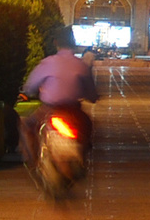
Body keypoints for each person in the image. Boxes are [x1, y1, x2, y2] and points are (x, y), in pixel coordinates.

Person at [20, 27, 100, 169]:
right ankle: (83, 159)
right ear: (74, 44)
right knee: (87, 129)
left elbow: (30, 86)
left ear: (56, 43)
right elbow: (92, 93)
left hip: (49, 110)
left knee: (27, 126)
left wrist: (28, 92)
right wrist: (92, 97)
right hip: (74, 111)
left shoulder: (48, 63)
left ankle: (33, 161)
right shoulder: (80, 65)